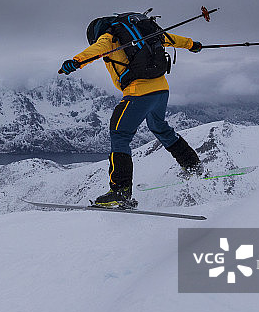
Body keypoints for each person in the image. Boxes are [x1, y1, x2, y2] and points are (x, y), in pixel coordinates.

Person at [61, 17, 204, 208]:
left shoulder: (108, 37)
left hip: (139, 92)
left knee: (120, 134)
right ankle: (193, 165)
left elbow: (95, 51)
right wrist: (192, 45)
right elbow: (169, 38)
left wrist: (75, 62)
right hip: (161, 90)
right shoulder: (144, 33)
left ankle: (120, 192)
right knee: (160, 127)